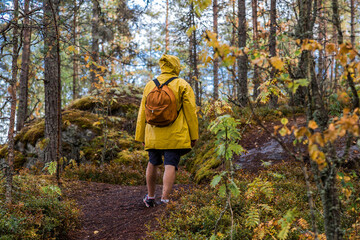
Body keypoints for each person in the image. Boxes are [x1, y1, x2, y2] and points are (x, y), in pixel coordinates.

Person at [135, 54, 199, 207]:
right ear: (176, 66)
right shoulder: (182, 84)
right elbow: (191, 113)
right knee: (170, 164)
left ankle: (150, 198)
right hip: (174, 135)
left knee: (152, 163)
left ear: (162, 66)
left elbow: (142, 114)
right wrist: (193, 135)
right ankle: (164, 200)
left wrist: (141, 135)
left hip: (153, 134)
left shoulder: (150, 85)